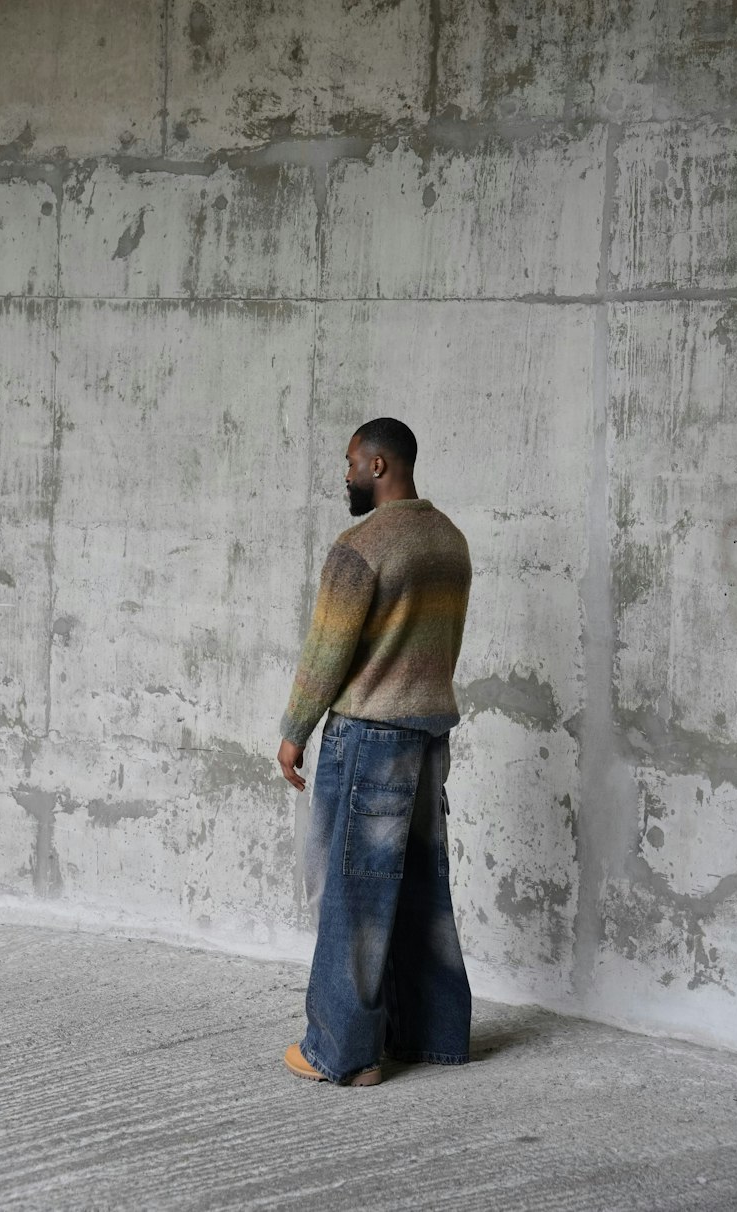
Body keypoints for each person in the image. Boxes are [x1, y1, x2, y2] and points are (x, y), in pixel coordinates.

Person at [276, 417, 472, 1086]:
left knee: (352, 893)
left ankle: (346, 1053)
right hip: (427, 734)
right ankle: (429, 1035)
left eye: (353, 463)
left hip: (368, 736)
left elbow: (327, 652)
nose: (348, 475)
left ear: (381, 465)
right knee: (420, 887)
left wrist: (295, 728)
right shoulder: (449, 540)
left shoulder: (362, 546)